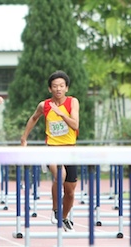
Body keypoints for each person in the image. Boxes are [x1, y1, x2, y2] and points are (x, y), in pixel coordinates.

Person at [20, 70, 79, 232]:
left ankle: (64, 217)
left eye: (61, 86)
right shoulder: (44, 105)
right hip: (52, 150)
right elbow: (33, 118)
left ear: (66, 88)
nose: (58, 89)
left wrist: (62, 114)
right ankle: (55, 209)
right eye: (55, 86)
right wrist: (24, 137)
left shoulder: (73, 102)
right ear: (50, 89)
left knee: (70, 192)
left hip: (70, 151)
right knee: (61, 175)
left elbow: (75, 125)